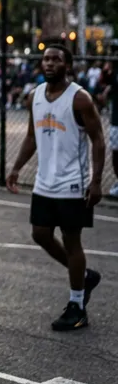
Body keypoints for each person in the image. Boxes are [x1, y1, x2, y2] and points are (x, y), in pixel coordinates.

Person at [6, 44, 104, 331]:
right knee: (40, 234)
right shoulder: (34, 96)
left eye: (56, 59)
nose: (49, 63)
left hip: (72, 183)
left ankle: (77, 306)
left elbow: (98, 139)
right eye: (46, 59)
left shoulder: (80, 99)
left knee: (72, 242)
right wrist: (16, 168)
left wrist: (96, 181)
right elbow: (31, 136)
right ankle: (84, 277)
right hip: (44, 182)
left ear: (67, 66)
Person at [101, 62, 118, 198]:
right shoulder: (115, 71)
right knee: (116, 153)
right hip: (116, 121)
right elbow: (105, 84)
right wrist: (107, 70)